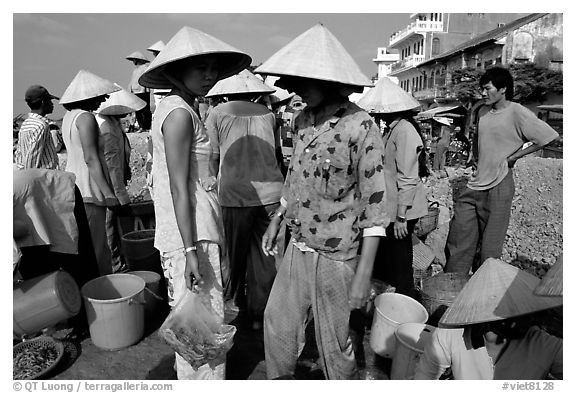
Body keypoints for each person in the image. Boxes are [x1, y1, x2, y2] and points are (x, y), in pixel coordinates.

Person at [256, 23, 390, 380]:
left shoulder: (361, 127)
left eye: (305, 82)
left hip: (338, 255)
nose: (297, 90)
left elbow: (375, 205)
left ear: (330, 81)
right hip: (299, 245)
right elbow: (294, 178)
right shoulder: (301, 121)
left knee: (335, 342)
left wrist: (363, 275)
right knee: (278, 323)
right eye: (293, 82)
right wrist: (278, 217)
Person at [138, 25, 251, 380]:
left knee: (195, 325)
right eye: (200, 68)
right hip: (193, 234)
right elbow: (178, 188)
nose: (209, 76)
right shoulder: (179, 114)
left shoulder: (180, 108)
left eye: (213, 68)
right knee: (202, 328)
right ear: (176, 71)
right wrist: (190, 251)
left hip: (191, 228)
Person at [444, 67, 559, 274]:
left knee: (490, 247)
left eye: (488, 89)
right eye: (482, 89)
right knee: (460, 238)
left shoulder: (517, 112)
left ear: (503, 89)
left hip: (500, 183)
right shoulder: (482, 111)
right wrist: (475, 159)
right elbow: (477, 138)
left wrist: (514, 157)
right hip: (475, 183)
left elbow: (549, 137)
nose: (483, 93)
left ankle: (481, 294)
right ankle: (453, 287)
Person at [204, 69, 282, 331]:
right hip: (272, 195)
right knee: (265, 258)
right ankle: (259, 316)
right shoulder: (270, 116)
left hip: (235, 196)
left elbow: (211, 157)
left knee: (231, 259)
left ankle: (226, 311)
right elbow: (278, 155)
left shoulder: (216, 114)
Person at [415, 258, 563, 380]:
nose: (532, 318)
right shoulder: (449, 336)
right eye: (520, 312)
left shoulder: (548, 346)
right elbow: (424, 379)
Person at [357, 76, 429, 299]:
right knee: (387, 261)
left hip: (401, 210)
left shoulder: (405, 131)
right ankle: (387, 303)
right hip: (391, 208)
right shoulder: (393, 129)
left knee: (399, 265)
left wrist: (401, 217)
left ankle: (403, 306)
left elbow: (408, 176)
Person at [14, 168, 100, 336]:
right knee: (35, 272)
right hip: (30, 206)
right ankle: (53, 317)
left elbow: (14, 252)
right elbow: (21, 230)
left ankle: (92, 317)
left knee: (77, 260)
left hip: (56, 195)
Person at [60, 70, 121, 276]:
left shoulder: (69, 117)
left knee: (85, 245)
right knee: (98, 247)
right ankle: (100, 290)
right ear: (88, 96)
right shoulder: (86, 118)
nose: (103, 99)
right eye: (100, 96)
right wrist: (109, 193)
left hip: (74, 186)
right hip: (90, 189)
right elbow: (91, 158)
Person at [96, 86, 146, 273]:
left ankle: (117, 262)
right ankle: (115, 267)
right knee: (109, 229)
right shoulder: (108, 129)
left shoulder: (113, 124)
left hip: (114, 184)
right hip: (109, 187)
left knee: (113, 229)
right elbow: (112, 167)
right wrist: (120, 195)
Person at [14, 85, 60, 170]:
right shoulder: (41, 126)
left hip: (28, 175)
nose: (52, 103)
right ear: (43, 102)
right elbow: (32, 159)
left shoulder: (25, 123)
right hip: (42, 177)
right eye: (49, 100)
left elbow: (19, 154)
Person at [126, 51, 152, 132]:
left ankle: (146, 126)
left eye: (134, 60)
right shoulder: (135, 70)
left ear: (138, 60)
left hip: (143, 92)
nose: (133, 61)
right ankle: (141, 126)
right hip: (135, 92)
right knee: (138, 110)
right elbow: (132, 81)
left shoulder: (144, 68)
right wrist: (130, 90)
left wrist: (144, 89)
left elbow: (145, 79)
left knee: (145, 110)